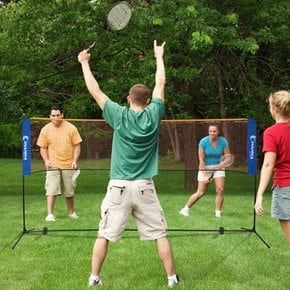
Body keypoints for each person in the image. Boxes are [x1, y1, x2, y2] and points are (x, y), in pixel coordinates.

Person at [78, 40, 181, 288]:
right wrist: (159, 56)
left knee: (104, 233)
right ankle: (172, 279)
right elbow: (160, 84)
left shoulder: (119, 114)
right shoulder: (154, 114)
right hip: (145, 186)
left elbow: (96, 91)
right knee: (160, 234)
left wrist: (84, 63)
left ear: (128, 99)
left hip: (118, 187)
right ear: (147, 101)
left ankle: (94, 279)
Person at [254, 90, 290, 245]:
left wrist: (260, 195)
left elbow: (268, 164)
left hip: (284, 187)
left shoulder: (271, 133)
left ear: (275, 108)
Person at [37, 104, 82, 222]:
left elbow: (77, 146)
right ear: (49, 116)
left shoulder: (71, 128)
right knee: (51, 189)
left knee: (69, 190)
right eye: (53, 115)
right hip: (53, 164)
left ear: (62, 115)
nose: (56, 118)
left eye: (58, 115)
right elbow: (43, 147)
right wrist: (46, 161)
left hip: (68, 164)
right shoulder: (46, 129)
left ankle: (71, 213)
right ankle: (50, 214)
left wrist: (74, 161)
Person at [179, 125, 230, 218]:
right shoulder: (203, 142)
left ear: (218, 132)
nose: (212, 133)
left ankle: (218, 213)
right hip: (205, 167)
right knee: (201, 192)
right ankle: (185, 209)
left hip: (219, 167)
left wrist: (223, 163)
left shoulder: (223, 141)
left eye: (214, 131)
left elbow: (228, 157)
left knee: (220, 189)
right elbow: (201, 160)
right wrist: (205, 175)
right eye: (210, 131)